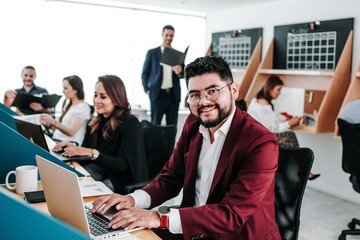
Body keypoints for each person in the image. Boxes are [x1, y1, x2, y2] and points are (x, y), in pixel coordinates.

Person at [92, 56, 281, 239]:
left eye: (213, 91)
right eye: (195, 95)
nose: (203, 101)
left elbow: (232, 214)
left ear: (234, 90)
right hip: (192, 228)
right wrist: (133, 200)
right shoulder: (193, 124)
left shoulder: (260, 142)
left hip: (236, 234)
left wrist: (159, 217)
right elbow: (170, 178)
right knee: (118, 233)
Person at [53, 75, 148, 194]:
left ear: (116, 99)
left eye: (103, 97)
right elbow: (85, 150)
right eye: (95, 95)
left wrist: (92, 153)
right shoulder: (96, 121)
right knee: (65, 182)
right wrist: (74, 148)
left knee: (77, 192)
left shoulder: (130, 123)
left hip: (120, 179)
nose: (96, 101)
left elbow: (122, 165)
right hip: (98, 170)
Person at [247, 75, 320, 180]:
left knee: (289, 137)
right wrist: (289, 123)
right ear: (270, 88)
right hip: (259, 140)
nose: (279, 92)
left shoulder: (262, 102)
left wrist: (287, 119)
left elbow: (273, 117)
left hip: (261, 136)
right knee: (290, 136)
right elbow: (272, 128)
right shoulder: (260, 106)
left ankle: (300, 169)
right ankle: (300, 169)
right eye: (278, 89)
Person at [141, 25, 184, 126]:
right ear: (162, 35)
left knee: (172, 127)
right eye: (167, 35)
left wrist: (179, 72)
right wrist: (147, 90)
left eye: (171, 36)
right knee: (155, 126)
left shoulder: (178, 54)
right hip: (157, 95)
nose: (169, 38)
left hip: (173, 96)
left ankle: (171, 143)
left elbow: (183, 74)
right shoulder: (152, 53)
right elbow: (144, 74)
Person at [39, 75, 91, 146]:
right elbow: (62, 130)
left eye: (66, 88)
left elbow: (71, 132)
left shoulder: (83, 107)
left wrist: (54, 122)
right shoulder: (70, 106)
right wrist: (49, 125)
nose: (63, 91)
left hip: (68, 145)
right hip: (58, 141)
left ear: (75, 89)